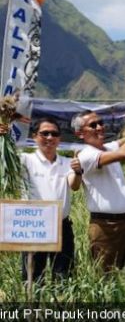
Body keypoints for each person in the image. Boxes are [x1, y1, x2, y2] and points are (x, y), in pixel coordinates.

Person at [0, 118, 82, 281]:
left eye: (54, 134)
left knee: (63, 276)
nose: (50, 138)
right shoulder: (24, 160)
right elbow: (5, 165)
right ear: (35, 136)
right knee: (33, 278)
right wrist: (3, 139)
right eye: (45, 133)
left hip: (61, 226)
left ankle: (60, 306)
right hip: (34, 225)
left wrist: (78, 171)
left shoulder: (67, 163)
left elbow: (74, 185)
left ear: (59, 139)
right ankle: (33, 306)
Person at [71, 110, 125, 272]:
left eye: (101, 123)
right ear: (80, 133)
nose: (99, 127)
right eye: (93, 125)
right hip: (106, 227)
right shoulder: (86, 155)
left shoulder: (108, 147)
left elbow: (124, 139)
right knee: (106, 277)